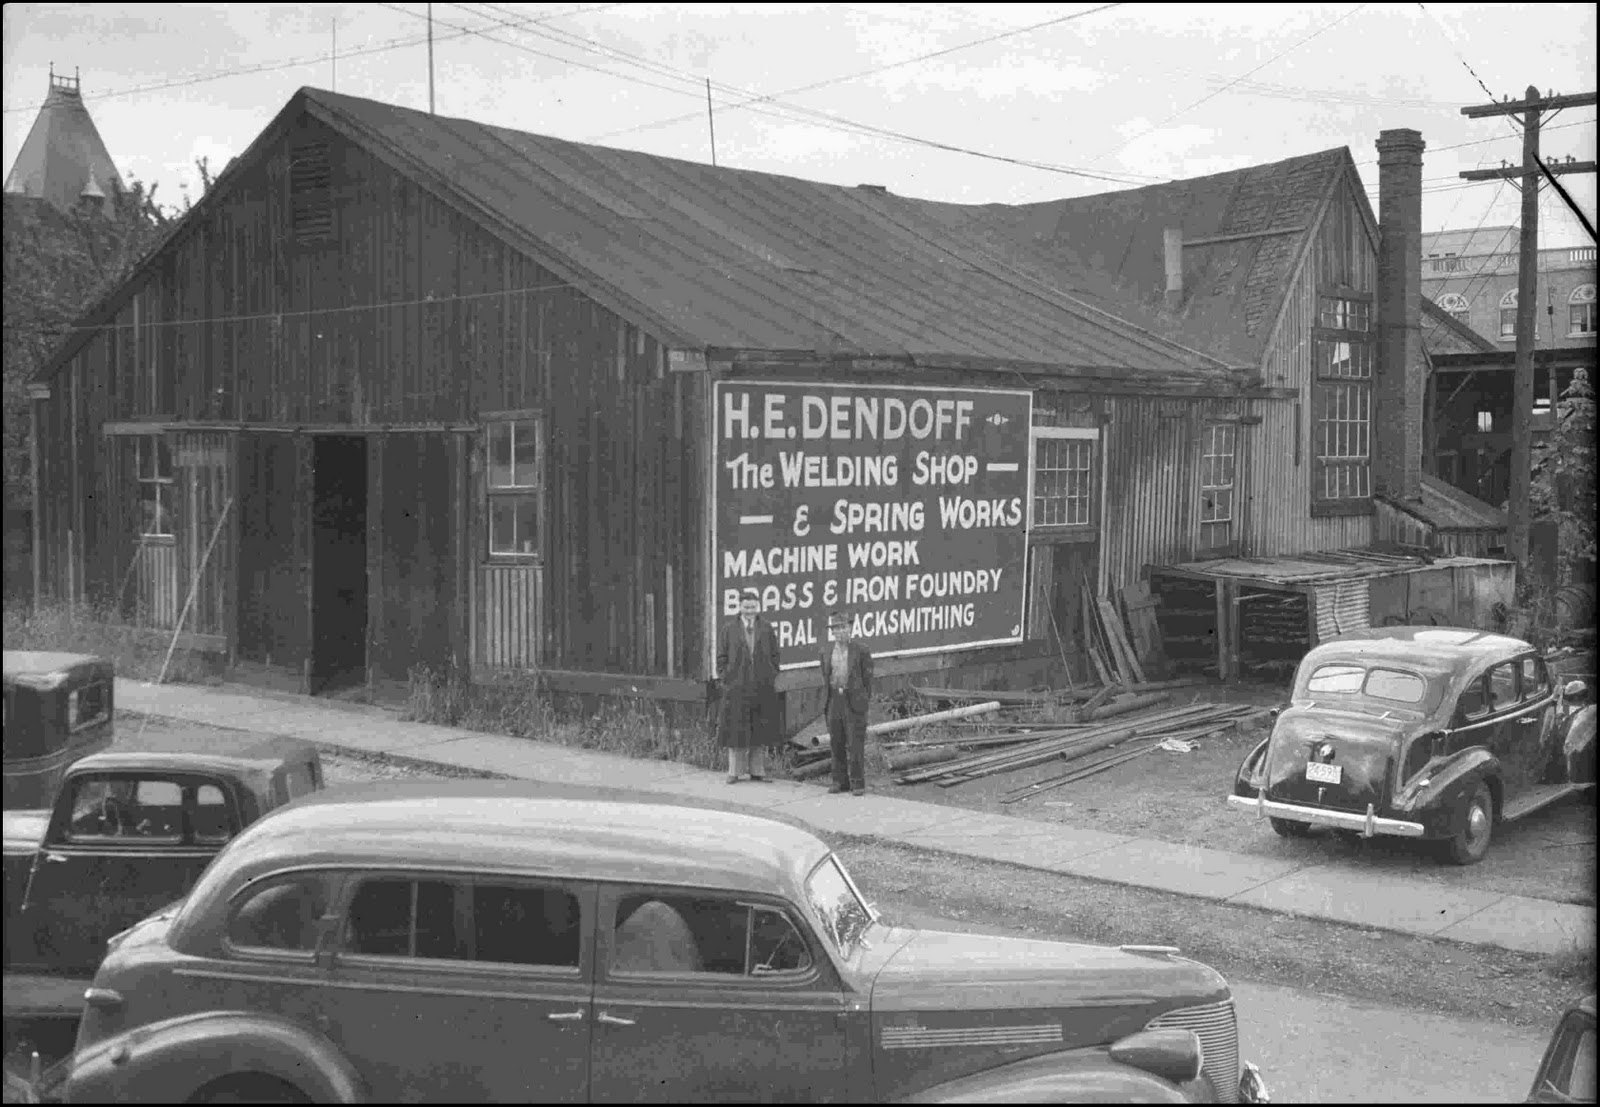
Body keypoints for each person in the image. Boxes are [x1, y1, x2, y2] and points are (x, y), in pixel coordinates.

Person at [715, 590, 780, 783]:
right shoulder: (729, 629)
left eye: (752, 607)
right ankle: (734, 772)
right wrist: (726, 677)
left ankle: (757, 771)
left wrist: (771, 673)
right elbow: (721, 656)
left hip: (761, 686)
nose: (749, 610)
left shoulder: (766, 628)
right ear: (740, 607)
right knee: (736, 729)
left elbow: (775, 654)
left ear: (757, 607)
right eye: (746, 607)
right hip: (737, 686)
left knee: (759, 729)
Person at [820, 609, 873, 796]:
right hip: (834, 699)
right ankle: (839, 782)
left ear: (850, 628)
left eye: (844, 627)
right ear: (832, 632)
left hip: (854, 700)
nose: (841, 632)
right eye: (836, 629)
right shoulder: (826, 651)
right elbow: (825, 676)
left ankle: (857, 783)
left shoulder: (861, 650)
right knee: (836, 742)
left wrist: (863, 701)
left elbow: (868, 679)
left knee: (855, 743)